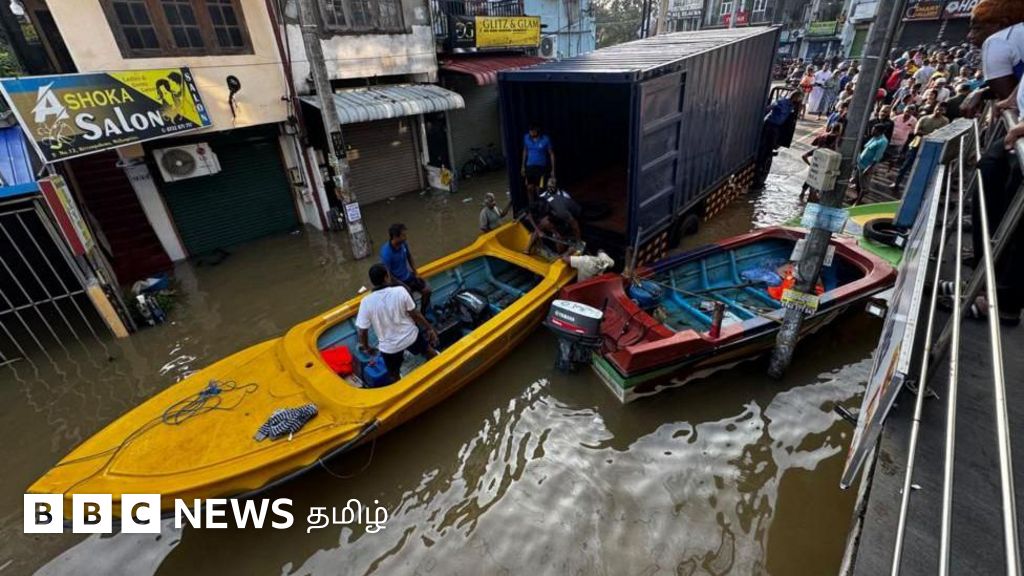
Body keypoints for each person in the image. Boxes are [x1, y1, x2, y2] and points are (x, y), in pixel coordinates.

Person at [356, 264, 439, 385]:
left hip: (389, 348)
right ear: (386, 277)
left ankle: (400, 388)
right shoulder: (400, 291)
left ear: (372, 282)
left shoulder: (366, 302)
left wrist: (367, 347)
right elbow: (415, 314)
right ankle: (441, 368)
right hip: (411, 337)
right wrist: (430, 329)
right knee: (429, 352)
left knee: (393, 374)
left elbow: (362, 331)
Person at [891, 103, 950, 191]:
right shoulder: (924, 118)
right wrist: (931, 134)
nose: (938, 111)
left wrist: (926, 134)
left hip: (930, 147)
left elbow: (941, 134)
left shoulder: (945, 121)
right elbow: (916, 132)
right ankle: (897, 183)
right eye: (937, 108)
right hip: (917, 144)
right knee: (906, 164)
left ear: (944, 111)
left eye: (941, 110)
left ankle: (915, 188)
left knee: (922, 168)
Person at [754, 90, 802, 189]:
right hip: (770, 124)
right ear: (795, 97)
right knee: (764, 145)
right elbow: (770, 108)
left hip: (777, 126)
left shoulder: (792, 105)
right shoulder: (781, 101)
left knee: (770, 146)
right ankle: (761, 158)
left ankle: (766, 156)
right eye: (799, 98)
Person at [380, 223, 432, 314]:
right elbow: (388, 275)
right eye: (403, 235)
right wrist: (403, 286)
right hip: (397, 282)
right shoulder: (386, 253)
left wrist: (416, 273)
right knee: (411, 303)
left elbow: (409, 257)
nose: (405, 237)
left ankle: (423, 313)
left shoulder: (403, 244)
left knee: (427, 290)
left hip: (408, 276)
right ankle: (415, 320)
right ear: (396, 237)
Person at [850, 124, 890, 200]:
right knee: (858, 182)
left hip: (867, 165)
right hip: (861, 163)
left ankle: (858, 201)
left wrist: (869, 168)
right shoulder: (874, 137)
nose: (872, 131)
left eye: (874, 130)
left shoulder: (883, 141)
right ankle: (856, 197)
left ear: (879, 131)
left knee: (863, 185)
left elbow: (877, 156)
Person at [521, 123, 555, 202]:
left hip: (541, 168)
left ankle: (541, 207)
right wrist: (522, 166)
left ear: (537, 131)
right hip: (529, 167)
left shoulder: (545, 139)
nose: (531, 132)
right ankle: (531, 207)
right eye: (530, 131)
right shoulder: (526, 138)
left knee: (539, 189)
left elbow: (551, 154)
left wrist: (553, 169)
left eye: (533, 131)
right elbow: (525, 151)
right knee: (529, 188)